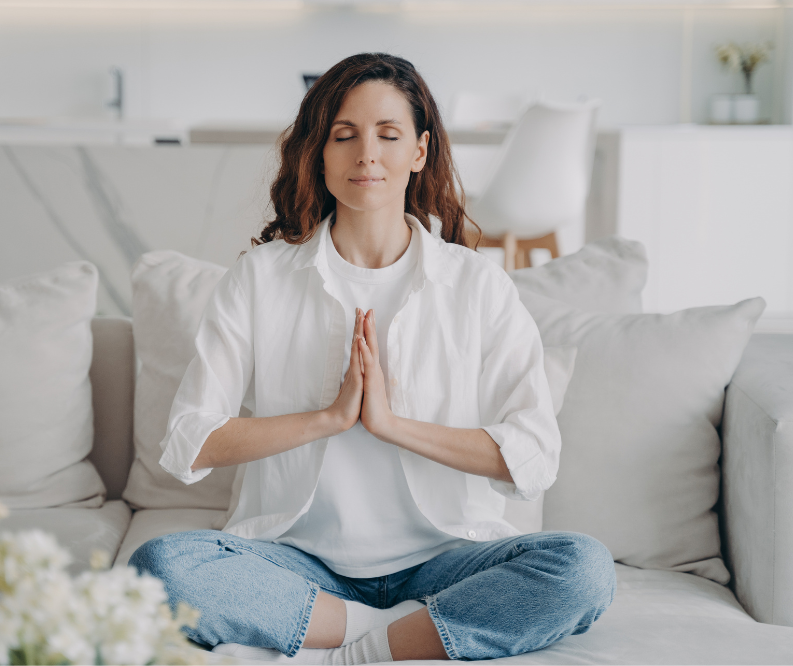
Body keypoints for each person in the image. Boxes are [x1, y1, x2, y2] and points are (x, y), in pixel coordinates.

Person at [129, 53, 615, 664]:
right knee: (161, 568)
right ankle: (396, 630)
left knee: (584, 570)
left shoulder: (478, 286)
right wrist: (328, 418)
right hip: (298, 563)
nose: (366, 155)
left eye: (389, 135)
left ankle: (361, 645)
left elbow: (535, 457)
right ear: (319, 153)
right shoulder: (259, 280)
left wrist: (392, 427)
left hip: (446, 559)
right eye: (344, 135)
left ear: (419, 151)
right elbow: (188, 442)